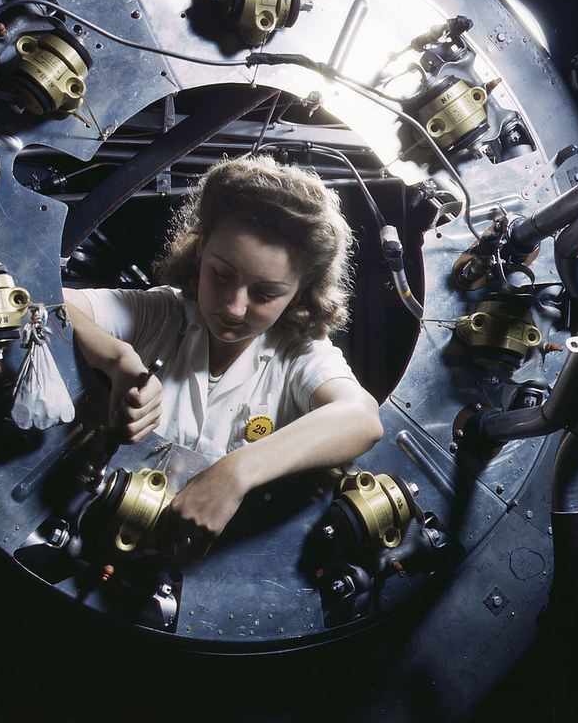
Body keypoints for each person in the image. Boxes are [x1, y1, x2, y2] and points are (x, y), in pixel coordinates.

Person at [62, 154, 383, 561]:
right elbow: (47, 303)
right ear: (201, 249)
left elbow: (361, 418)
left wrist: (236, 473)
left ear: (299, 293)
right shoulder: (158, 313)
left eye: (265, 293)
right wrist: (118, 359)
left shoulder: (300, 356)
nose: (234, 306)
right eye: (222, 275)